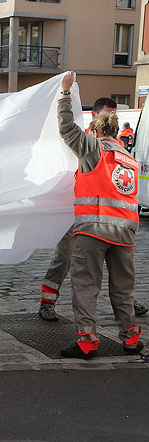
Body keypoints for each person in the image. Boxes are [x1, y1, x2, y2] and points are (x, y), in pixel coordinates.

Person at [56, 71, 142, 358]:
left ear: (95, 127)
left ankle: (86, 342)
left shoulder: (93, 149)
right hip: (125, 233)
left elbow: (67, 128)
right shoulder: (130, 158)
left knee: (85, 286)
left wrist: (66, 93)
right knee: (123, 290)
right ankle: (130, 339)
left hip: (93, 230)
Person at [38, 97, 148, 321]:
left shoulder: (115, 145)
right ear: (95, 115)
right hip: (76, 209)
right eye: (107, 114)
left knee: (114, 264)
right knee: (64, 258)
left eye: (114, 115)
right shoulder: (87, 139)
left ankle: (126, 302)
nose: (111, 118)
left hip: (101, 215)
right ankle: (48, 301)